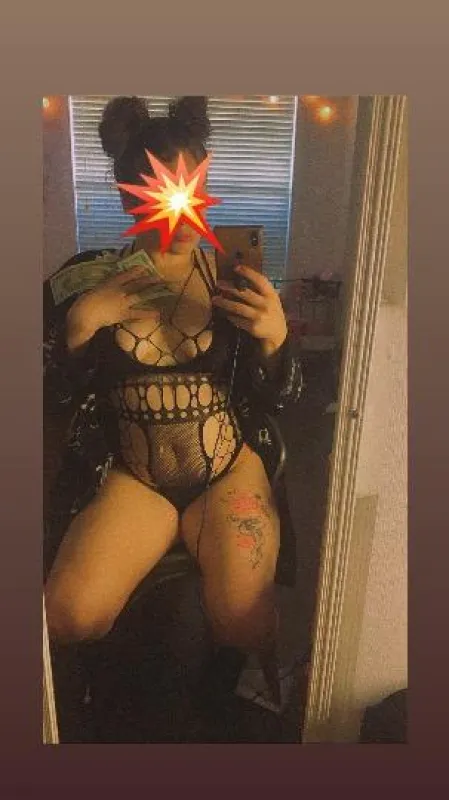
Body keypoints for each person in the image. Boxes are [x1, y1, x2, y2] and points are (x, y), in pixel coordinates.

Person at [43, 95, 303, 706]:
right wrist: (79, 329)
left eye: (193, 188)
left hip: (227, 470)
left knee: (246, 620)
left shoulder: (232, 277)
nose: (182, 207)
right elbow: (53, 399)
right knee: (68, 615)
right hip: (135, 477)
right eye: (159, 190)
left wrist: (274, 341)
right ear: (128, 196)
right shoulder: (86, 278)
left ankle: (241, 690)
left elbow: (282, 398)